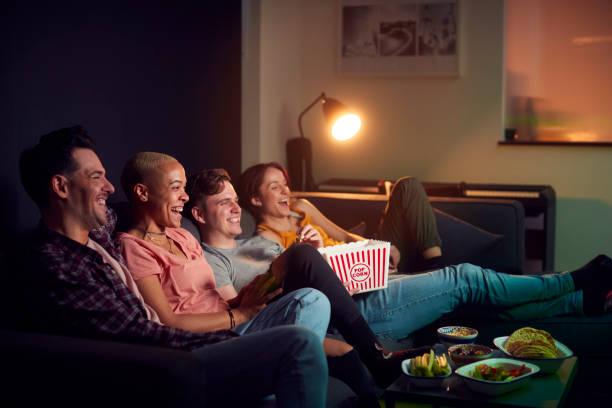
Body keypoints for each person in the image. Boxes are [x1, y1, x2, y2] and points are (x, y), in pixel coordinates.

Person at [18, 126, 328, 408]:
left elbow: (137, 209)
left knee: (310, 302)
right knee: (297, 343)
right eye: (96, 176)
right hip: (165, 363)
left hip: (191, 343)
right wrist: (233, 333)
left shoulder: (97, 232)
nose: (110, 187)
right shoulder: (56, 262)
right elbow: (139, 334)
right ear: (60, 186)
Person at [117, 153, 428, 405]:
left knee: (309, 284)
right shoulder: (133, 247)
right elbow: (168, 321)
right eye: (175, 187)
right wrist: (238, 313)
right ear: (143, 192)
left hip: (236, 317)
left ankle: (370, 360)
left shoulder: (183, 234)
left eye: (184, 187)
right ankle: (374, 357)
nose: (183, 196)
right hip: (215, 338)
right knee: (304, 265)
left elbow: (213, 297)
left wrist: (247, 298)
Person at [187, 166, 612, 346]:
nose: (234, 207)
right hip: (352, 314)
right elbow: (240, 313)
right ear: (198, 213)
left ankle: (579, 300)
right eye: (225, 201)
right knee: (463, 278)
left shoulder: (263, 241)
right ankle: (569, 281)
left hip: (365, 288)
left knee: (471, 304)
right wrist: (302, 262)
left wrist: (328, 246)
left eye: (232, 200)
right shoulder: (220, 258)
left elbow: (330, 252)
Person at [239, 162, 443, 273]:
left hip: (373, 259)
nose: (286, 191)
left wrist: (379, 249)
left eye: (285, 184)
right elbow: (302, 277)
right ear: (256, 199)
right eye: (275, 187)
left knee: (407, 186)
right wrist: (370, 266)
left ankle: (435, 265)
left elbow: (345, 237)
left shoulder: (302, 208)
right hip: (353, 276)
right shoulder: (267, 238)